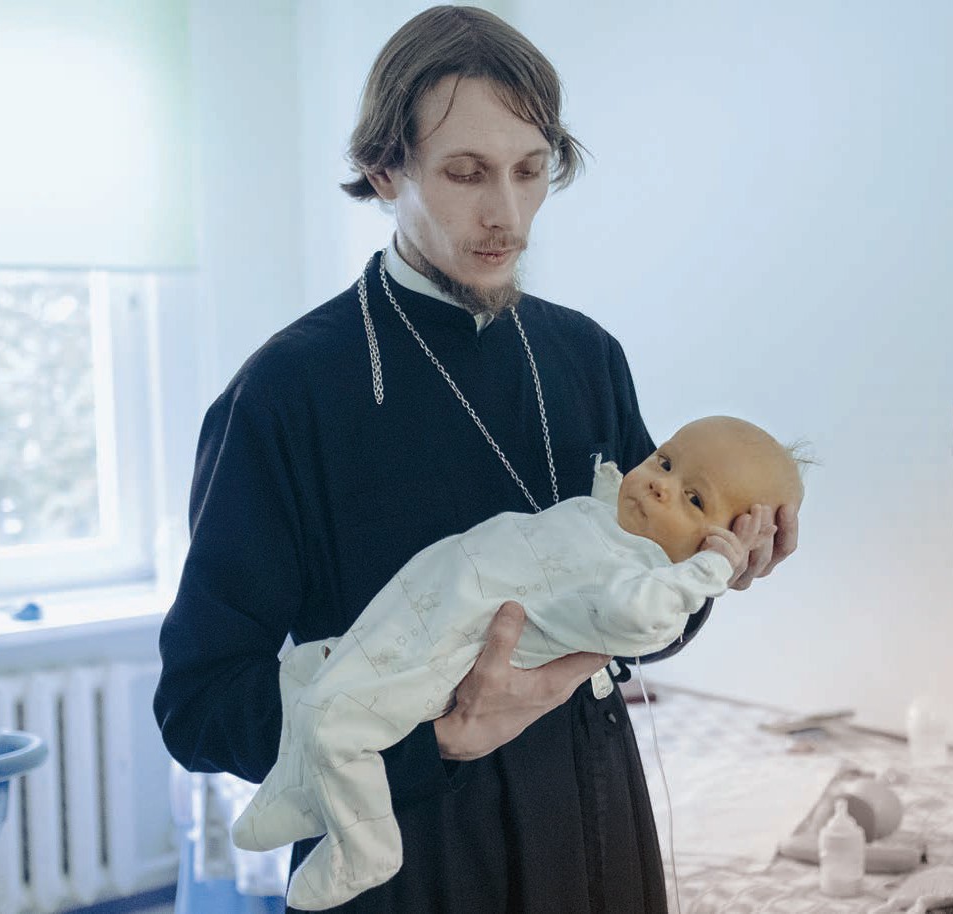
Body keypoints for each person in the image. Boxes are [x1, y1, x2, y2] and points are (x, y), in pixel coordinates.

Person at [152, 7, 799, 912]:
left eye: (530, 171)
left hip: (596, 831)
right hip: (414, 859)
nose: (507, 216)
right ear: (387, 169)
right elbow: (200, 705)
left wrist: (716, 571)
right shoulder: (284, 394)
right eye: (466, 173)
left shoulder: (586, 356)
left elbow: (637, 605)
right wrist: (440, 739)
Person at [232, 417, 806, 910]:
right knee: (306, 673)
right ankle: (303, 797)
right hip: (425, 645)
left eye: (695, 499)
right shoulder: (282, 390)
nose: (661, 485)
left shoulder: (641, 574)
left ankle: (364, 846)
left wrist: (706, 577)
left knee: (339, 720)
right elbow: (202, 699)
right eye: (664, 462)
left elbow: (645, 620)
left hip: (471, 676)